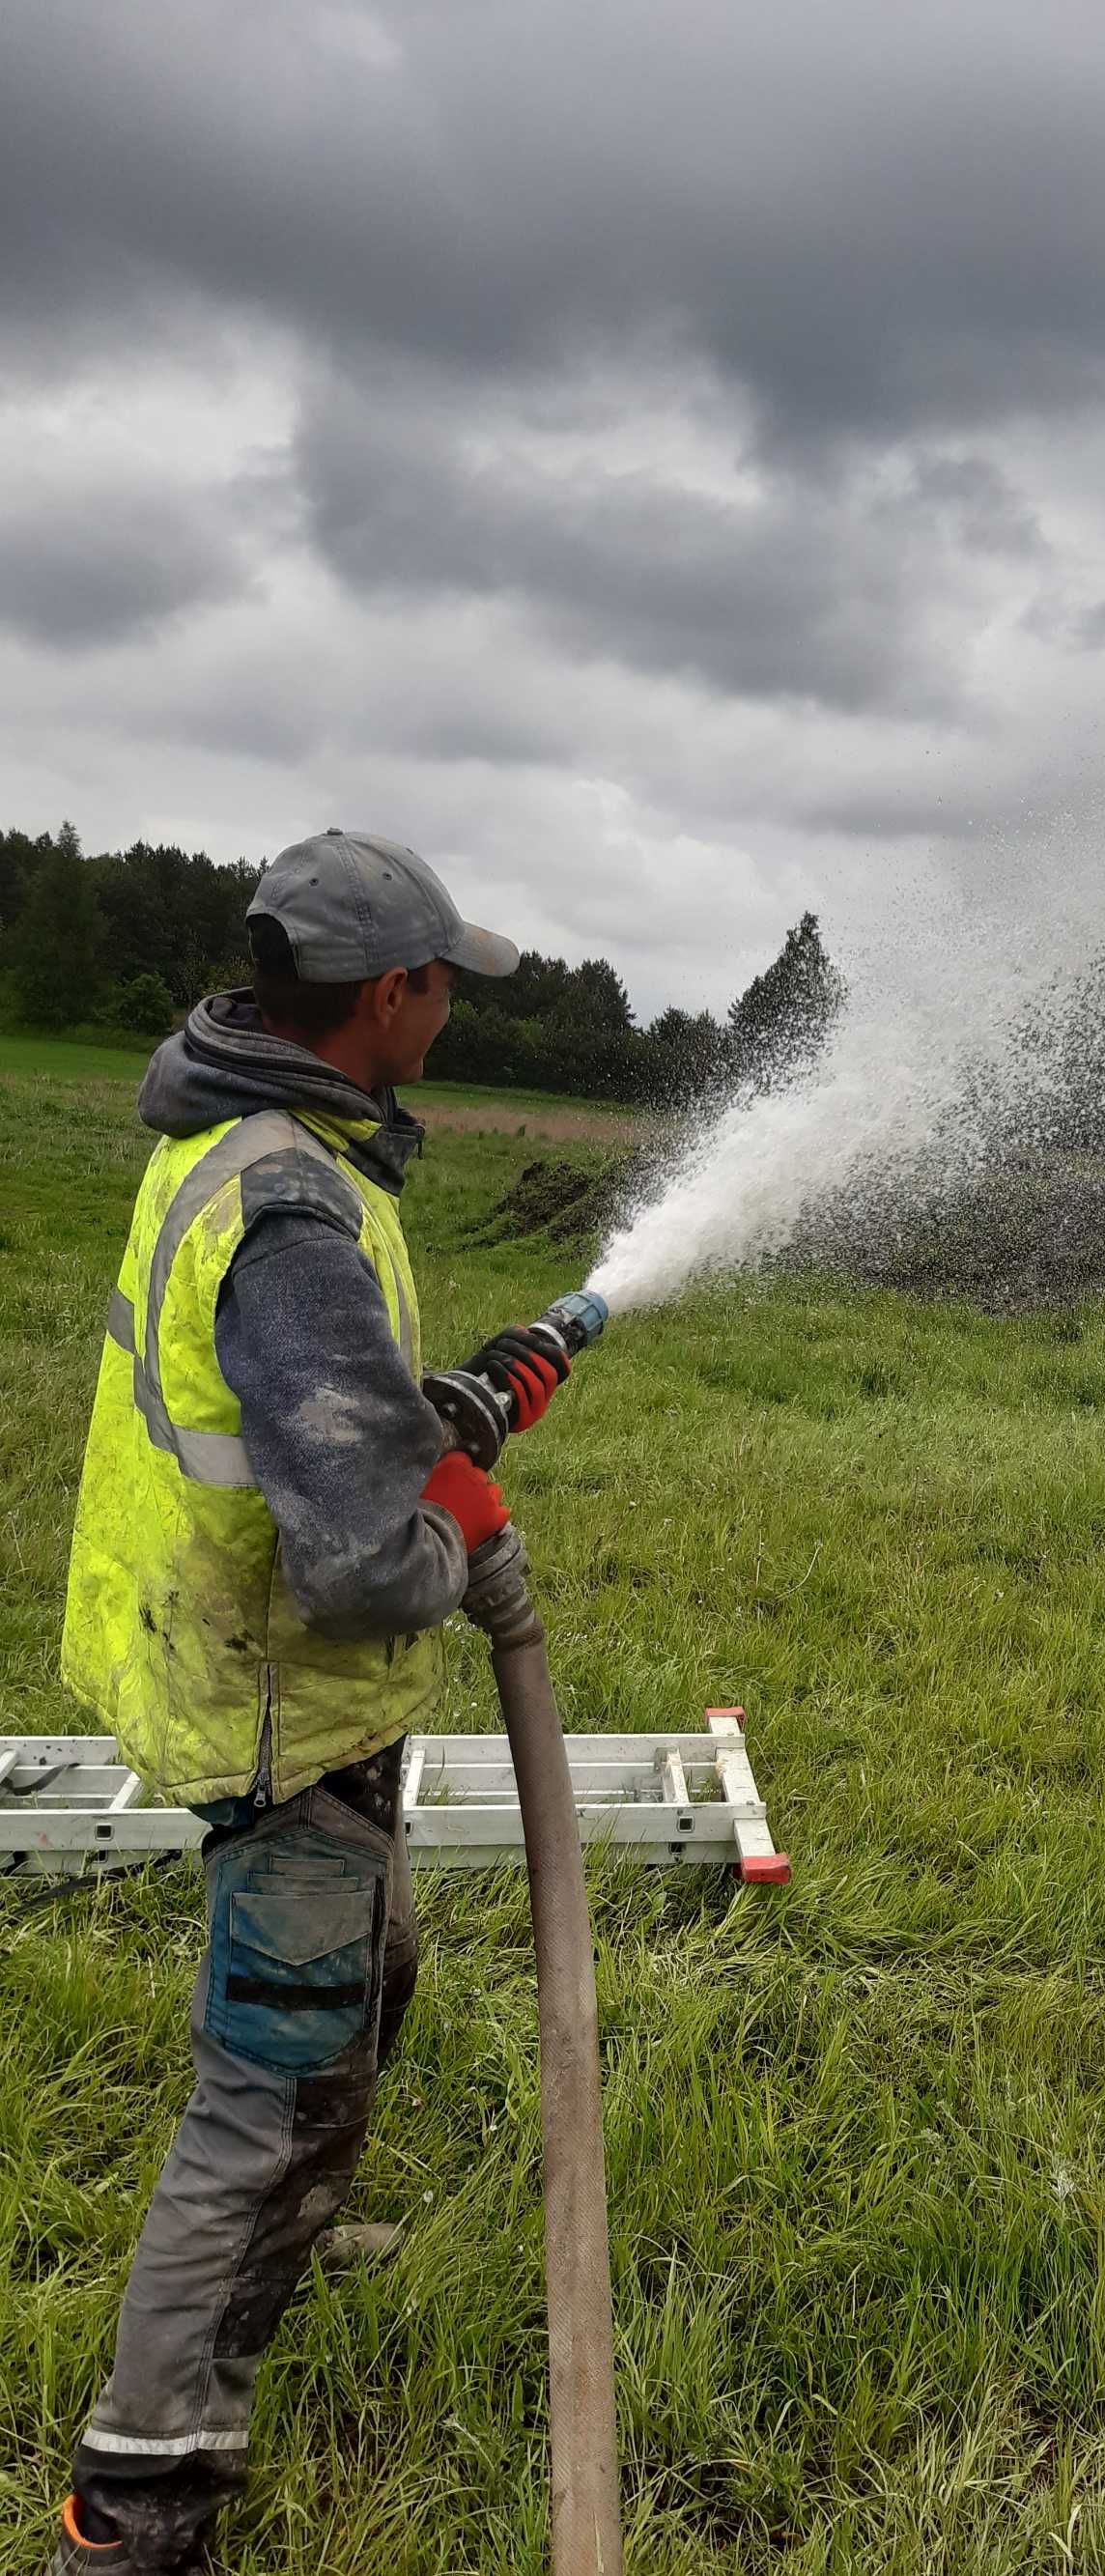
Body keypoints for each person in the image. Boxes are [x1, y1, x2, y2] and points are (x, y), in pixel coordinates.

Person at [48, 831, 569, 2574]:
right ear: (392, 997)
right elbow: (358, 1562)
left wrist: (425, 1412)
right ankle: (135, 2505)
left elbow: (298, 1401)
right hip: (281, 1688)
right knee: (260, 2094)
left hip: (244, 1670)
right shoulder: (290, 1205)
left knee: (376, 1959)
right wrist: (458, 1542)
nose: (453, 1018)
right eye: (445, 989)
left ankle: (304, 2213)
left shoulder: (251, 1138)